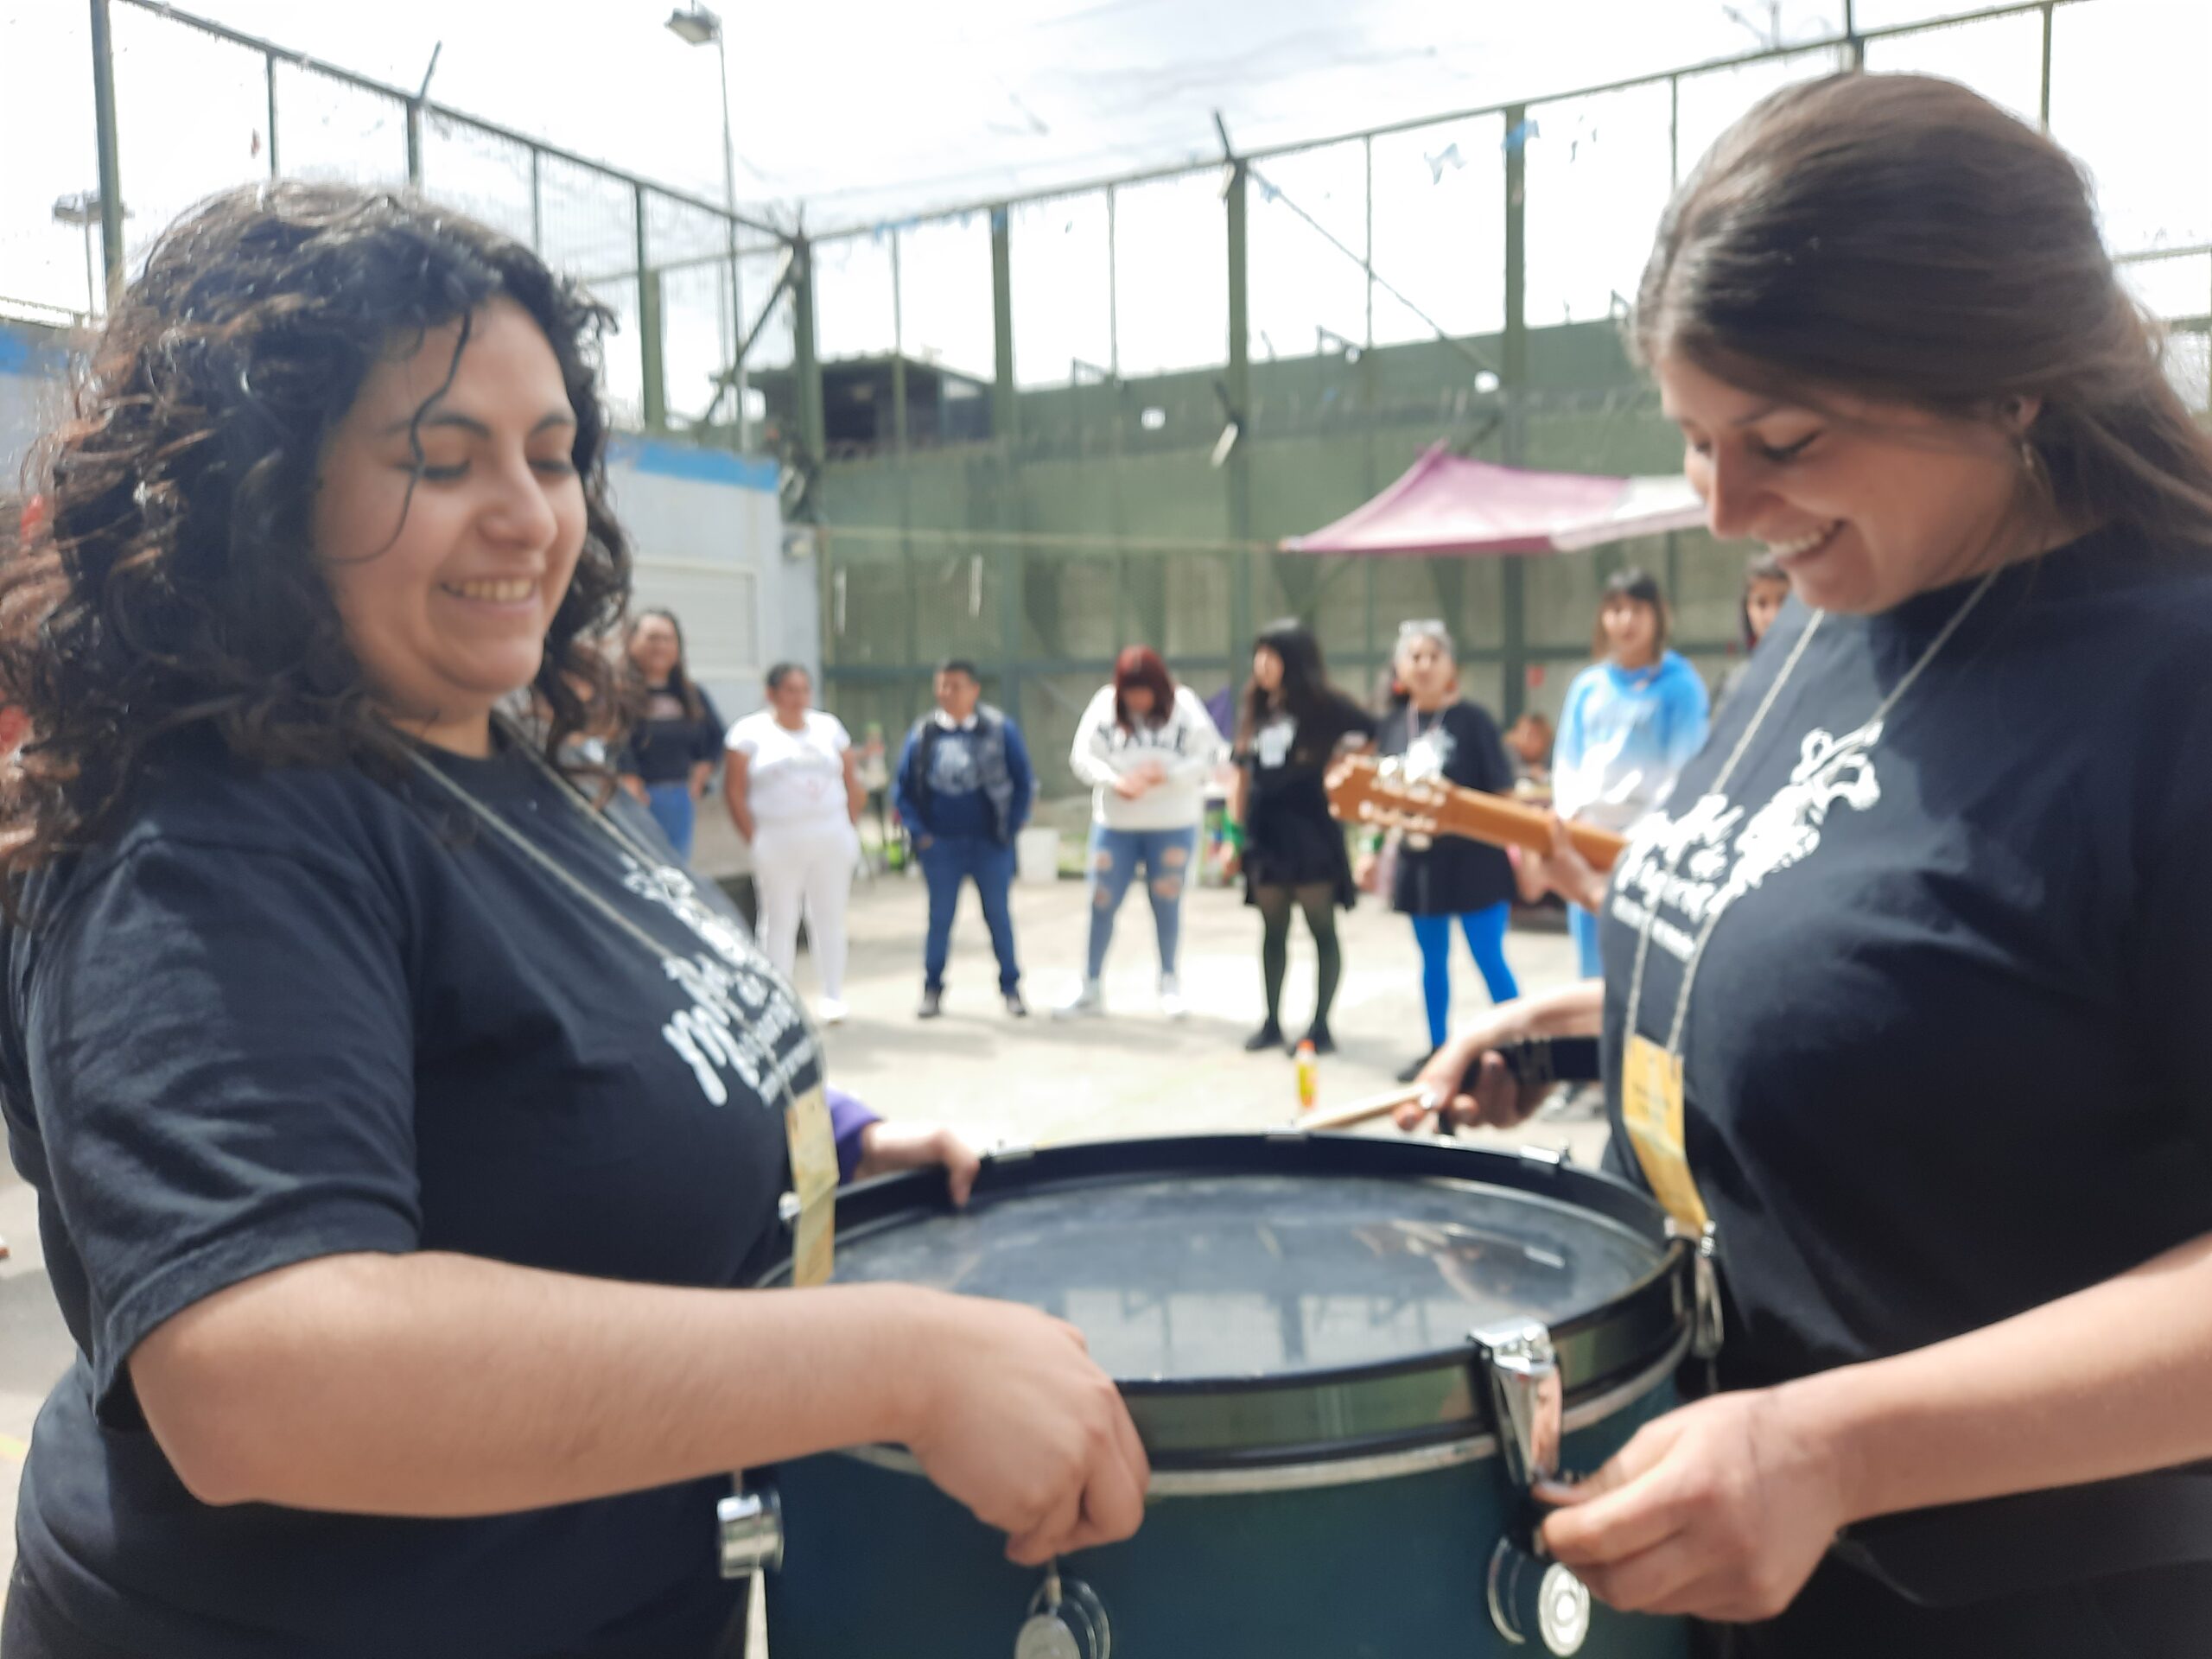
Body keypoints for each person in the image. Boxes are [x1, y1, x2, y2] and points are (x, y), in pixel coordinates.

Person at [0, 183, 1146, 1659]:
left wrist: (833, 1135)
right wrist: (897, 1360)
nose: (528, 515)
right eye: (441, 457)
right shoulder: (207, 830)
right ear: (265, 488)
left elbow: (563, 1046)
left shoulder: (487, 746)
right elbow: (260, 1369)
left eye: (552, 456)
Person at [1397, 73, 2212, 1657]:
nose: (1724, 509)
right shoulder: (1844, 604)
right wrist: (1597, 1020)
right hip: (1726, 1579)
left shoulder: (2180, 684)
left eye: (1779, 439)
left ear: (2004, 384)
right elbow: (1927, 971)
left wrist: (1834, 1449)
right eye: (1695, 440)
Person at [1365, 621, 1520, 1083]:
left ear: (1453, 665)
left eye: (1434, 655)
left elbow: (1503, 792)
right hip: (1420, 862)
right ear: (1399, 666)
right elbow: (1381, 795)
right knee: (1431, 958)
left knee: (1488, 955)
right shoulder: (1394, 724)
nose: (1424, 665)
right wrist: (1374, 849)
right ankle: (1438, 1050)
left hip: (1475, 860)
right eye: (1414, 656)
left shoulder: (1473, 720)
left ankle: (1523, 1049)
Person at [1225, 620, 1376, 1055]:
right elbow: (1241, 770)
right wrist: (1233, 836)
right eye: (1259, 655)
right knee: (1272, 929)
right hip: (1265, 833)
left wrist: (1339, 768)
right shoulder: (1255, 705)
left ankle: (1320, 1026)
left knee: (1320, 928)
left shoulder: (1324, 705)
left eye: (1272, 655)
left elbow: (1372, 730)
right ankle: (1271, 1021)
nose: (1262, 664)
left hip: (1310, 831)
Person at [1551, 568, 1708, 977]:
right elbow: (1568, 758)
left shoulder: (1682, 686)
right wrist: (1571, 819)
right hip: (1586, 840)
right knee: (1591, 967)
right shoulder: (1588, 686)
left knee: (1643, 967)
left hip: (1649, 846)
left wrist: (1644, 836)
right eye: (1616, 609)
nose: (1626, 620)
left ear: (1659, 615)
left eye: (1637, 608)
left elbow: (1684, 770)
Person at [1054, 645, 1225, 1020]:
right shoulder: (1105, 704)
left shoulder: (1184, 705)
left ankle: (1168, 982)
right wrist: (1116, 781)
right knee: (1101, 900)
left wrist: (1167, 774)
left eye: (1143, 690)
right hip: (1116, 824)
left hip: (1172, 824)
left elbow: (1211, 754)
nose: (1136, 699)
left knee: (1167, 904)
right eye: (1129, 691)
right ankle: (1091, 984)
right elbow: (1082, 755)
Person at [893, 659, 1034, 1019]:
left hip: (990, 844)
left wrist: (1011, 826)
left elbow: (1023, 782)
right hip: (940, 847)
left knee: (998, 917)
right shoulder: (924, 733)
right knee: (940, 919)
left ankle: (1011, 988)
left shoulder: (999, 730)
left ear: (974, 689)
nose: (947, 693)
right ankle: (933, 988)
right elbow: (903, 789)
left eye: (955, 686)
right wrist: (921, 836)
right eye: (942, 686)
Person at [724, 664, 863, 1026]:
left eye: (804, 689)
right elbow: (734, 791)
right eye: (789, 690)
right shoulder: (749, 732)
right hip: (777, 838)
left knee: (829, 917)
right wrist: (754, 838)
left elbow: (852, 782)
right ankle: (777, 999)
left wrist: (848, 826)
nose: (798, 698)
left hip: (829, 835)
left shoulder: (828, 728)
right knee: (779, 918)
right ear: (771, 694)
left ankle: (832, 994)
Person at [615, 608, 723, 861]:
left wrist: (702, 772)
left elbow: (715, 738)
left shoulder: (691, 694)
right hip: (635, 799)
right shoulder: (616, 693)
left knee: (676, 874)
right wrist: (627, 777)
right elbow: (612, 741)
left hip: (679, 799)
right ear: (632, 642)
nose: (661, 646)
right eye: (652, 638)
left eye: (668, 639)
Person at [1710, 552, 1790, 715]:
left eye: (1784, 600)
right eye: (1761, 603)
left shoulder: (1826, 672)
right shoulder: (1735, 685)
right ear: (1747, 609)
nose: (1773, 615)